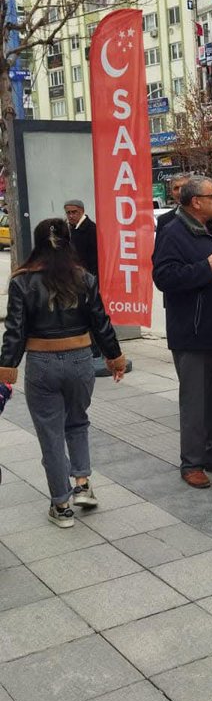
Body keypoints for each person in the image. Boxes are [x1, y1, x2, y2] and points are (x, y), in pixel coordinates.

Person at [0, 218, 125, 527]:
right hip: (80, 360)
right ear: (69, 241)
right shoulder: (83, 278)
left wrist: (7, 367)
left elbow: (14, 330)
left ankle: (61, 506)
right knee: (78, 421)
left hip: (42, 363)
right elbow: (101, 322)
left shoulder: (21, 281)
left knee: (51, 434)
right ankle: (83, 484)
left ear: (37, 242)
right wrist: (114, 357)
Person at [152, 175, 212, 488]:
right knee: (195, 403)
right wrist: (205, 268)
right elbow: (164, 277)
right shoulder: (172, 233)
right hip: (192, 333)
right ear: (196, 202)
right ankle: (192, 463)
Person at [64, 199, 98, 276]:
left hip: (87, 275)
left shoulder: (92, 229)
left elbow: (94, 257)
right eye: (68, 213)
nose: (71, 216)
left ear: (82, 211)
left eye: (74, 212)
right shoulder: (65, 228)